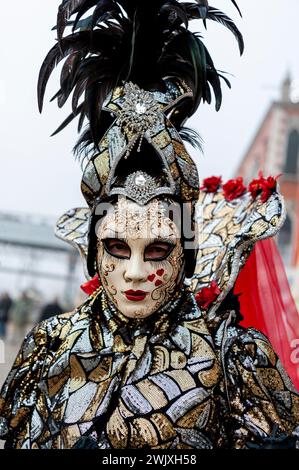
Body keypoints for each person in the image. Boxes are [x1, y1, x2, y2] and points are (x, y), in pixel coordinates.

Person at [0, 0, 299, 449]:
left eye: (157, 249)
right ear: (94, 247)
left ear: (186, 251)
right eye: (118, 247)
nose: (136, 273)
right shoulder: (48, 347)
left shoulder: (232, 357)